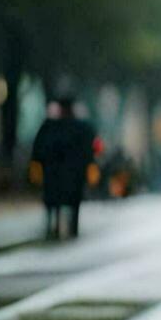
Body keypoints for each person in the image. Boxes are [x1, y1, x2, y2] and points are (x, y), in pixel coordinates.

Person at [30, 96, 97, 239]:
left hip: (55, 171)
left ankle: (52, 225)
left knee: (53, 199)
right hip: (73, 173)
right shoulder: (81, 127)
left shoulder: (50, 126)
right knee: (73, 200)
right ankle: (72, 227)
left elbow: (38, 148)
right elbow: (90, 149)